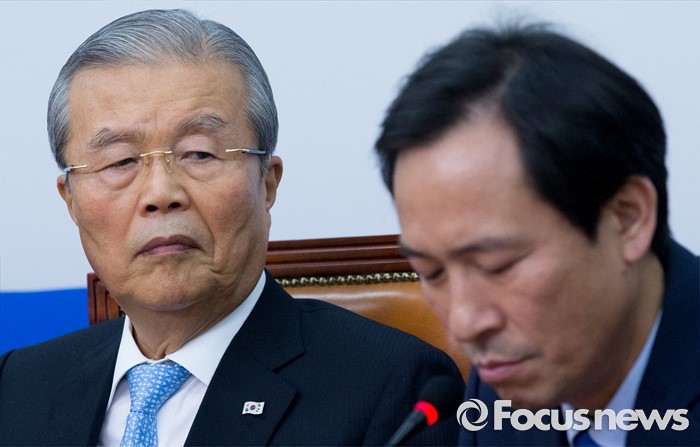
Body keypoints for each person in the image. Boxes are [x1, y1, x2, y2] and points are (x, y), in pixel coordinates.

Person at [0, 9, 463, 446]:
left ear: (267, 183)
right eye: (120, 161)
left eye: (199, 153)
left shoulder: (393, 388)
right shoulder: (18, 387)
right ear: (71, 201)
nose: (161, 193)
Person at [375, 22, 700, 446]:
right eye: (431, 272)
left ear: (627, 219)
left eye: (498, 265)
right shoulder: (500, 390)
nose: (464, 324)